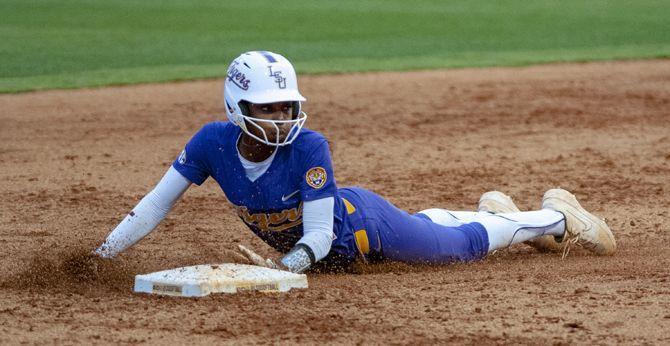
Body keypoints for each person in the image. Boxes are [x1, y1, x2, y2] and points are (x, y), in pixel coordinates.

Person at [93, 51, 616, 273]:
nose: (279, 118)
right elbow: (153, 207)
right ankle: (496, 210)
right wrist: (102, 257)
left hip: (364, 231)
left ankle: (559, 217)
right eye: (266, 108)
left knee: (459, 250)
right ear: (236, 107)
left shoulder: (309, 146)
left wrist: (285, 267)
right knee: (435, 227)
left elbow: (320, 236)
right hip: (329, 250)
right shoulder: (210, 143)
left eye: (286, 107)